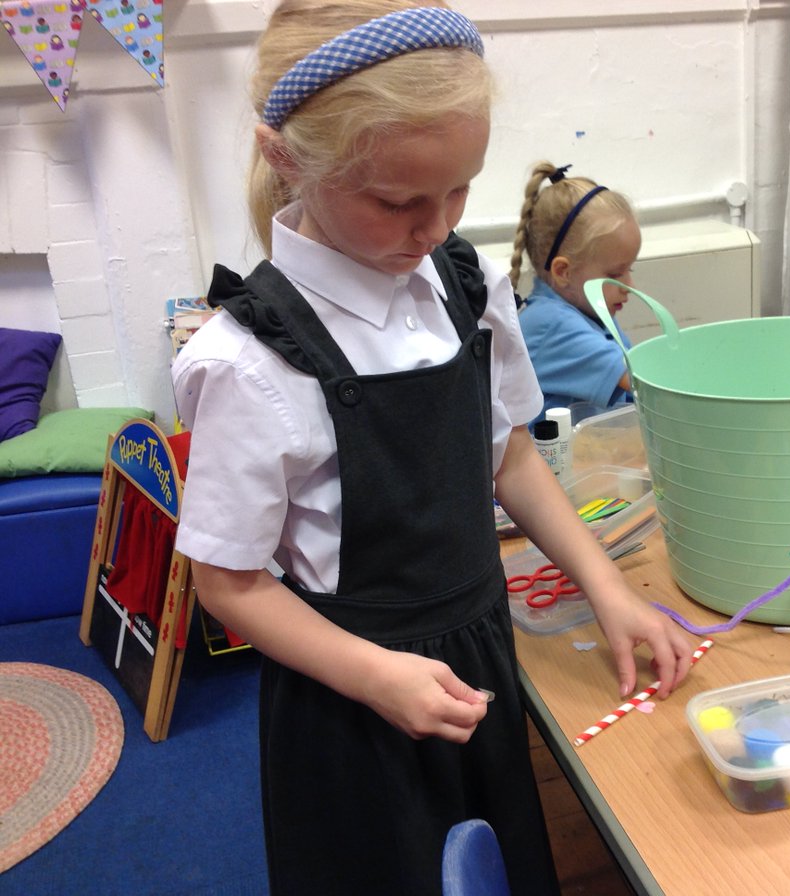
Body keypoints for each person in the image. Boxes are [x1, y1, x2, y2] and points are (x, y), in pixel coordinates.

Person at [170, 4, 697, 894]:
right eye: (399, 201)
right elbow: (228, 583)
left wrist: (606, 589)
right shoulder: (245, 364)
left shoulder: (464, 282)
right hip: (354, 703)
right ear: (287, 157)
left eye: (458, 190)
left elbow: (511, 456)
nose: (434, 226)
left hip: (480, 661)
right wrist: (378, 678)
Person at [510, 161, 641, 420]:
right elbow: (646, 383)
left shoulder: (592, 318)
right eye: (615, 275)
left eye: (630, 271)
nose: (629, 287)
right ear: (563, 272)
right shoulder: (551, 325)